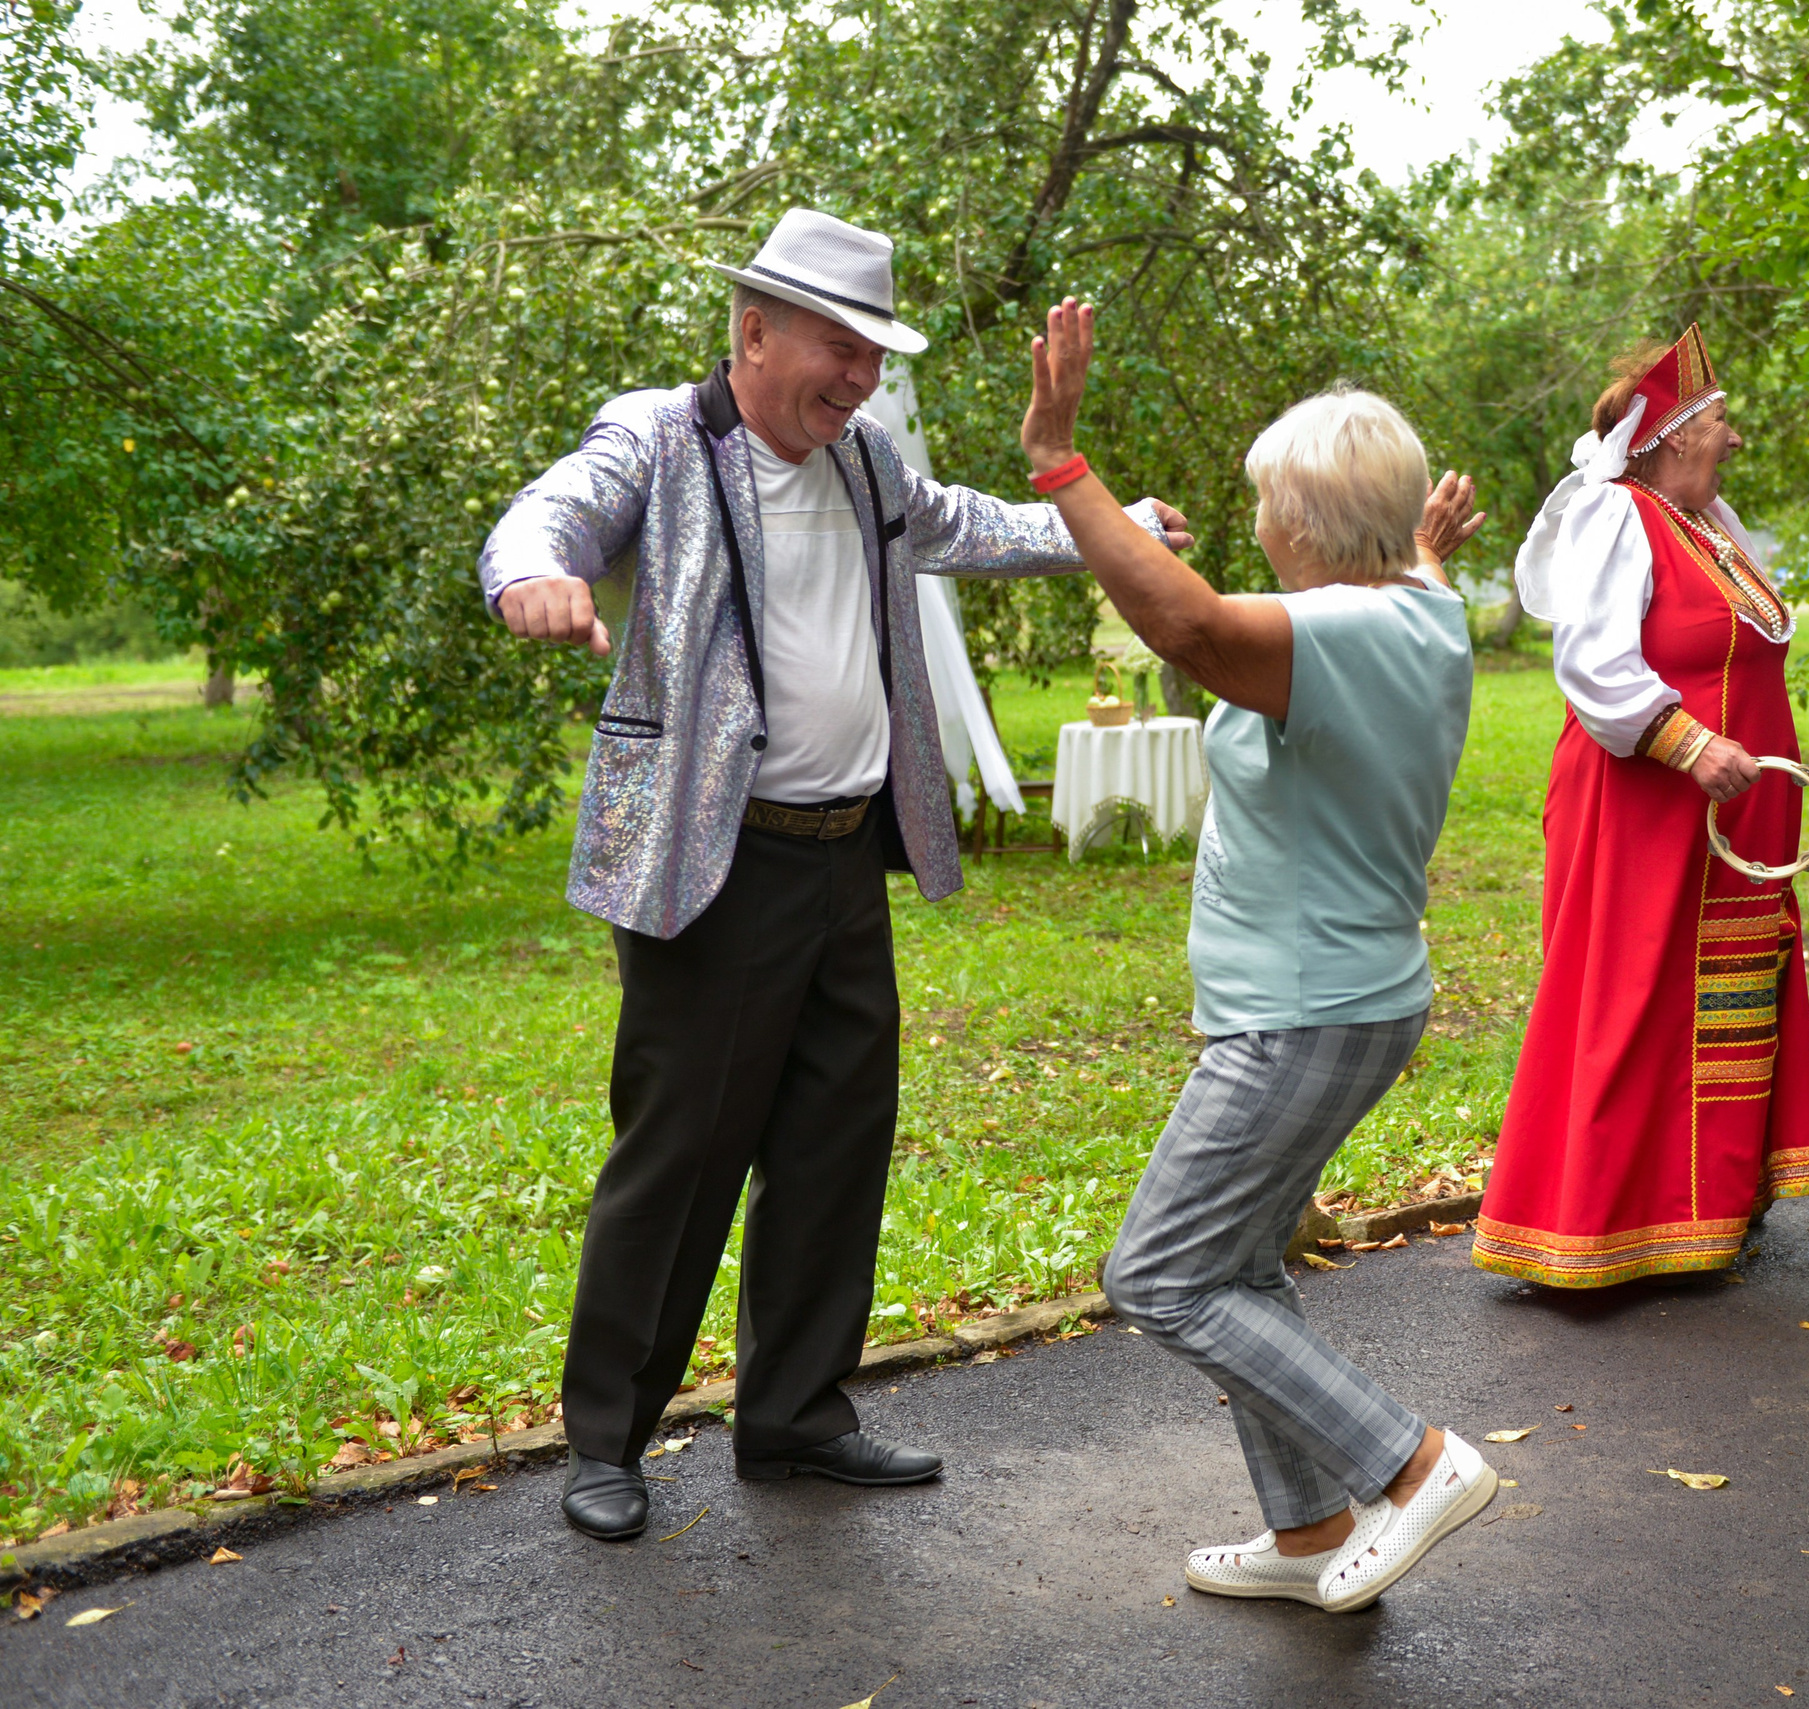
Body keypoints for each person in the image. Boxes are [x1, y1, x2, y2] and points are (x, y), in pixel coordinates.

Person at [477, 211, 1191, 1541]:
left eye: (873, 355)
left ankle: (797, 1413)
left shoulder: (865, 464)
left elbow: (970, 524)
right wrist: (535, 574)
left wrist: (1116, 518)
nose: (860, 378)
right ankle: (609, 1437)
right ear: (755, 331)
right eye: (839, 348)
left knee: (833, 1144)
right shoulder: (663, 439)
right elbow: (555, 508)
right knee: (683, 1152)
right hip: (714, 862)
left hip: (846, 854)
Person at [1015, 297, 1494, 1612]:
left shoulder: (1332, 635)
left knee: (1162, 1272)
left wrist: (1062, 459)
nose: (1257, 526)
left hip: (1305, 1015)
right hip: (1336, 998)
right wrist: (1431, 550)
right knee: (1236, 1269)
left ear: (1309, 526)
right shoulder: (1419, 614)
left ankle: (1413, 1464)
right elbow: (1326, 609)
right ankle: (1301, 1532)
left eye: (1267, 504)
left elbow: (1188, 629)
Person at [1472, 326, 1809, 1288]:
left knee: (1722, 993)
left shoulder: (1710, 522)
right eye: (1721, 422)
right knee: (1632, 1000)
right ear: (1672, 435)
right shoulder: (1619, 517)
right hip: (1644, 805)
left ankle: (1707, 1210)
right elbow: (1591, 663)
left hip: (1729, 812)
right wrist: (1686, 741)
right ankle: (1598, 1226)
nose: (1734, 440)